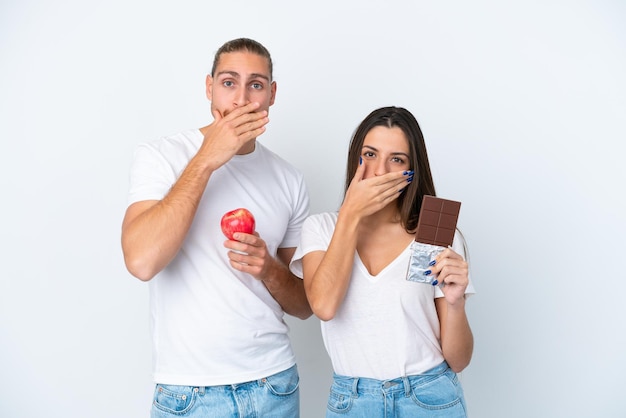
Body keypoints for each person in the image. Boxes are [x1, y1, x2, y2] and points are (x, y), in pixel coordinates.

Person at [121, 38, 311, 417]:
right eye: (229, 82)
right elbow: (141, 261)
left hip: (274, 385)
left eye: (255, 85)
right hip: (189, 394)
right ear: (209, 87)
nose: (241, 98)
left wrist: (269, 269)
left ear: (271, 95)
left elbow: (305, 304)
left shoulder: (289, 179)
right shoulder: (162, 156)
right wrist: (207, 159)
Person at [290, 106, 475, 417]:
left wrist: (455, 304)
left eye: (397, 159)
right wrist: (350, 212)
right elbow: (323, 305)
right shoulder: (321, 229)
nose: (380, 171)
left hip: (429, 399)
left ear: (412, 170)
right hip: (353, 402)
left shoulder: (433, 233)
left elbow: (458, 360)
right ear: (355, 159)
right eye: (370, 154)